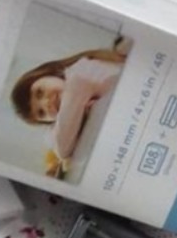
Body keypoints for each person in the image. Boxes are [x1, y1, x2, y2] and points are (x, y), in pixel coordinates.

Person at [10, 37, 130, 177]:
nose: (46, 103)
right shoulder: (64, 121)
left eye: (40, 92)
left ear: (48, 73)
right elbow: (60, 147)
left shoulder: (79, 72)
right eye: (41, 113)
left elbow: (62, 148)